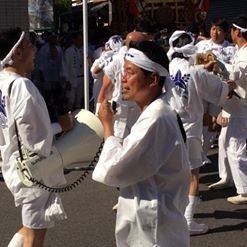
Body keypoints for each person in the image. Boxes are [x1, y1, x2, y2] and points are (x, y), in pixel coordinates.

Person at [92, 41, 191, 246]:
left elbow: (115, 169)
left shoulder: (156, 118)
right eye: (123, 71)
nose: (123, 78)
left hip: (153, 227)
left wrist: (108, 128)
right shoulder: (156, 112)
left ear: (153, 79)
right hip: (154, 221)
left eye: (130, 72)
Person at [0, 28, 73, 247]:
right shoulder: (21, 85)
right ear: (18, 53)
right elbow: (35, 137)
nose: (35, 50)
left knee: (29, 226)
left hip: (14, 164)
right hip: (33, 170)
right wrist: (62, 126)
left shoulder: (2, 81)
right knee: (34, 235)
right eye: (30, 46)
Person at [167, 30, 236, 235]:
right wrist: (227, 81)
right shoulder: (197, 72)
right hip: (190, 129)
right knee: (192, 176)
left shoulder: (168, 67)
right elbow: (223, 91)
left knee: (170, 174)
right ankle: (187, 222)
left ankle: (171, 215)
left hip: (168, 126)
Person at [196, 17, 235, 167]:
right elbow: (194, 64)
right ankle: (197, 150)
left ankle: (203, 152)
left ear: (225, 32)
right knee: (200, 118)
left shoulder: (230, 49)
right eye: (213, 29)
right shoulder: (202, 45)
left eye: (219, 30)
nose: (215, 33)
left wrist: (219, 63)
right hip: (201, 88)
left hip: (219, 89)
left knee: (214, 121)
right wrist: (206, 59)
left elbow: (232, 70)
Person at [216, 15, 247, 204]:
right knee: (224, 141)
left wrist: (219, 66)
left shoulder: (245, 53)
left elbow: (237, 73)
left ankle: (244, 189)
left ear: (238, 32)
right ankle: (227, 177)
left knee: (236, 145)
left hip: (242, 104)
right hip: (236, 102)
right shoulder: (239, 50)